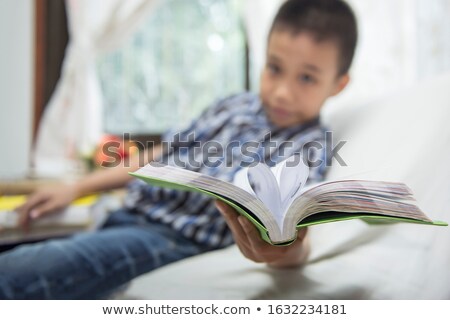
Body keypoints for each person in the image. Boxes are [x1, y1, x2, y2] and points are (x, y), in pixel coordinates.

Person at [0, 0, 357, 299]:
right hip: (123, 211)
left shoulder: (309, 145)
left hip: (169, 238)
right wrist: (75, 188)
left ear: (338, 84)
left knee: (22, 271)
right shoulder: (233, 104)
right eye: (274, 68)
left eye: (306, 78)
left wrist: (284, 249)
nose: (281, 91)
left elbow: (295, 223)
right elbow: (162, 154)